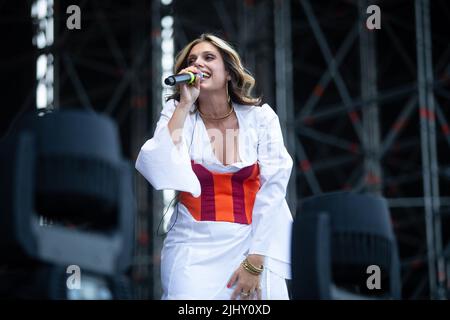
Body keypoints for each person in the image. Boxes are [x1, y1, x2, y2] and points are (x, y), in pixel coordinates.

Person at [135, 33, 293, 300]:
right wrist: (185, 104)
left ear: (229, 73)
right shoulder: (178, 112)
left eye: (209, 57)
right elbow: (156, 163)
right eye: (192, 60)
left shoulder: (261, 119)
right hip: (191, 247)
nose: (198, 64)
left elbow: (275, 187)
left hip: (251, 244)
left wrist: (255, 260)